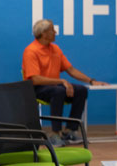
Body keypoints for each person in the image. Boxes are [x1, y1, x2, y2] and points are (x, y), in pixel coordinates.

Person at [23, 19, 108, 147]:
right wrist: (61, 81)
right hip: (37, 89)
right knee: (59, 91)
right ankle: (55, 134)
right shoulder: (31, 51)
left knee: (81, 90)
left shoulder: (55, 49)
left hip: (55, 86)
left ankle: (70, 131)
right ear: (44, 33)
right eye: (52, 30)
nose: (55, 32)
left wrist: (91, 81)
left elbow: (71, 70)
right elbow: (35, 79)